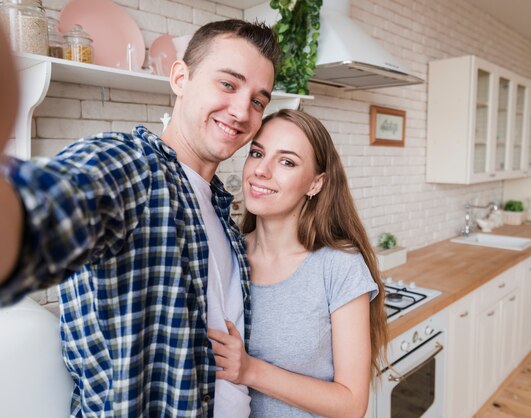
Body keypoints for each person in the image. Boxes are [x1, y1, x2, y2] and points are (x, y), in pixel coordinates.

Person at [0, 19, 281, 417]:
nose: (242, 111)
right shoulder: (131, 167)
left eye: (258, 100)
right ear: (180, 78)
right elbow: (40, 216)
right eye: (228, 84)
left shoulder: (223, 210)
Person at [208, 109, 389, 418]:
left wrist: (250, 370)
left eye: (287, 161)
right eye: (257, 153)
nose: (261, 171)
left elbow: (352, 403)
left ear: (315, 184)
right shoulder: (225, 252)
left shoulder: (338, 266)